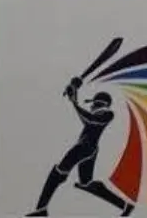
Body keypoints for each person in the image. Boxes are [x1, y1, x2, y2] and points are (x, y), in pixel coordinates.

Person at [27, 87, 135, 216]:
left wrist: (75, 103)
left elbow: (90, 120)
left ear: (99, 104)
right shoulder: (99, 114)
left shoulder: (107, 114)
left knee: (57, 173)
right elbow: (88, 119)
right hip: (90, 149)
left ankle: (41, 209)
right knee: (87, 183)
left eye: (94, 104)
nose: (92, 107)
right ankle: (125, 206)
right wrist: (75, 100)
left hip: (84, 148)